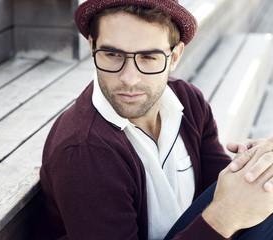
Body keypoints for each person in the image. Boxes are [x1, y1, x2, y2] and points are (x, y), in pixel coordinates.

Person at [33, 0, 273, 239]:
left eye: (148, 57)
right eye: (112, 54)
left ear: (175, 56)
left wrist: (252, 164)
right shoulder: (85, 151)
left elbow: (223, 186)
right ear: (92, 47)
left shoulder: (188, 102)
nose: (129, 79)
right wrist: (225, 217)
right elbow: (227, 212)